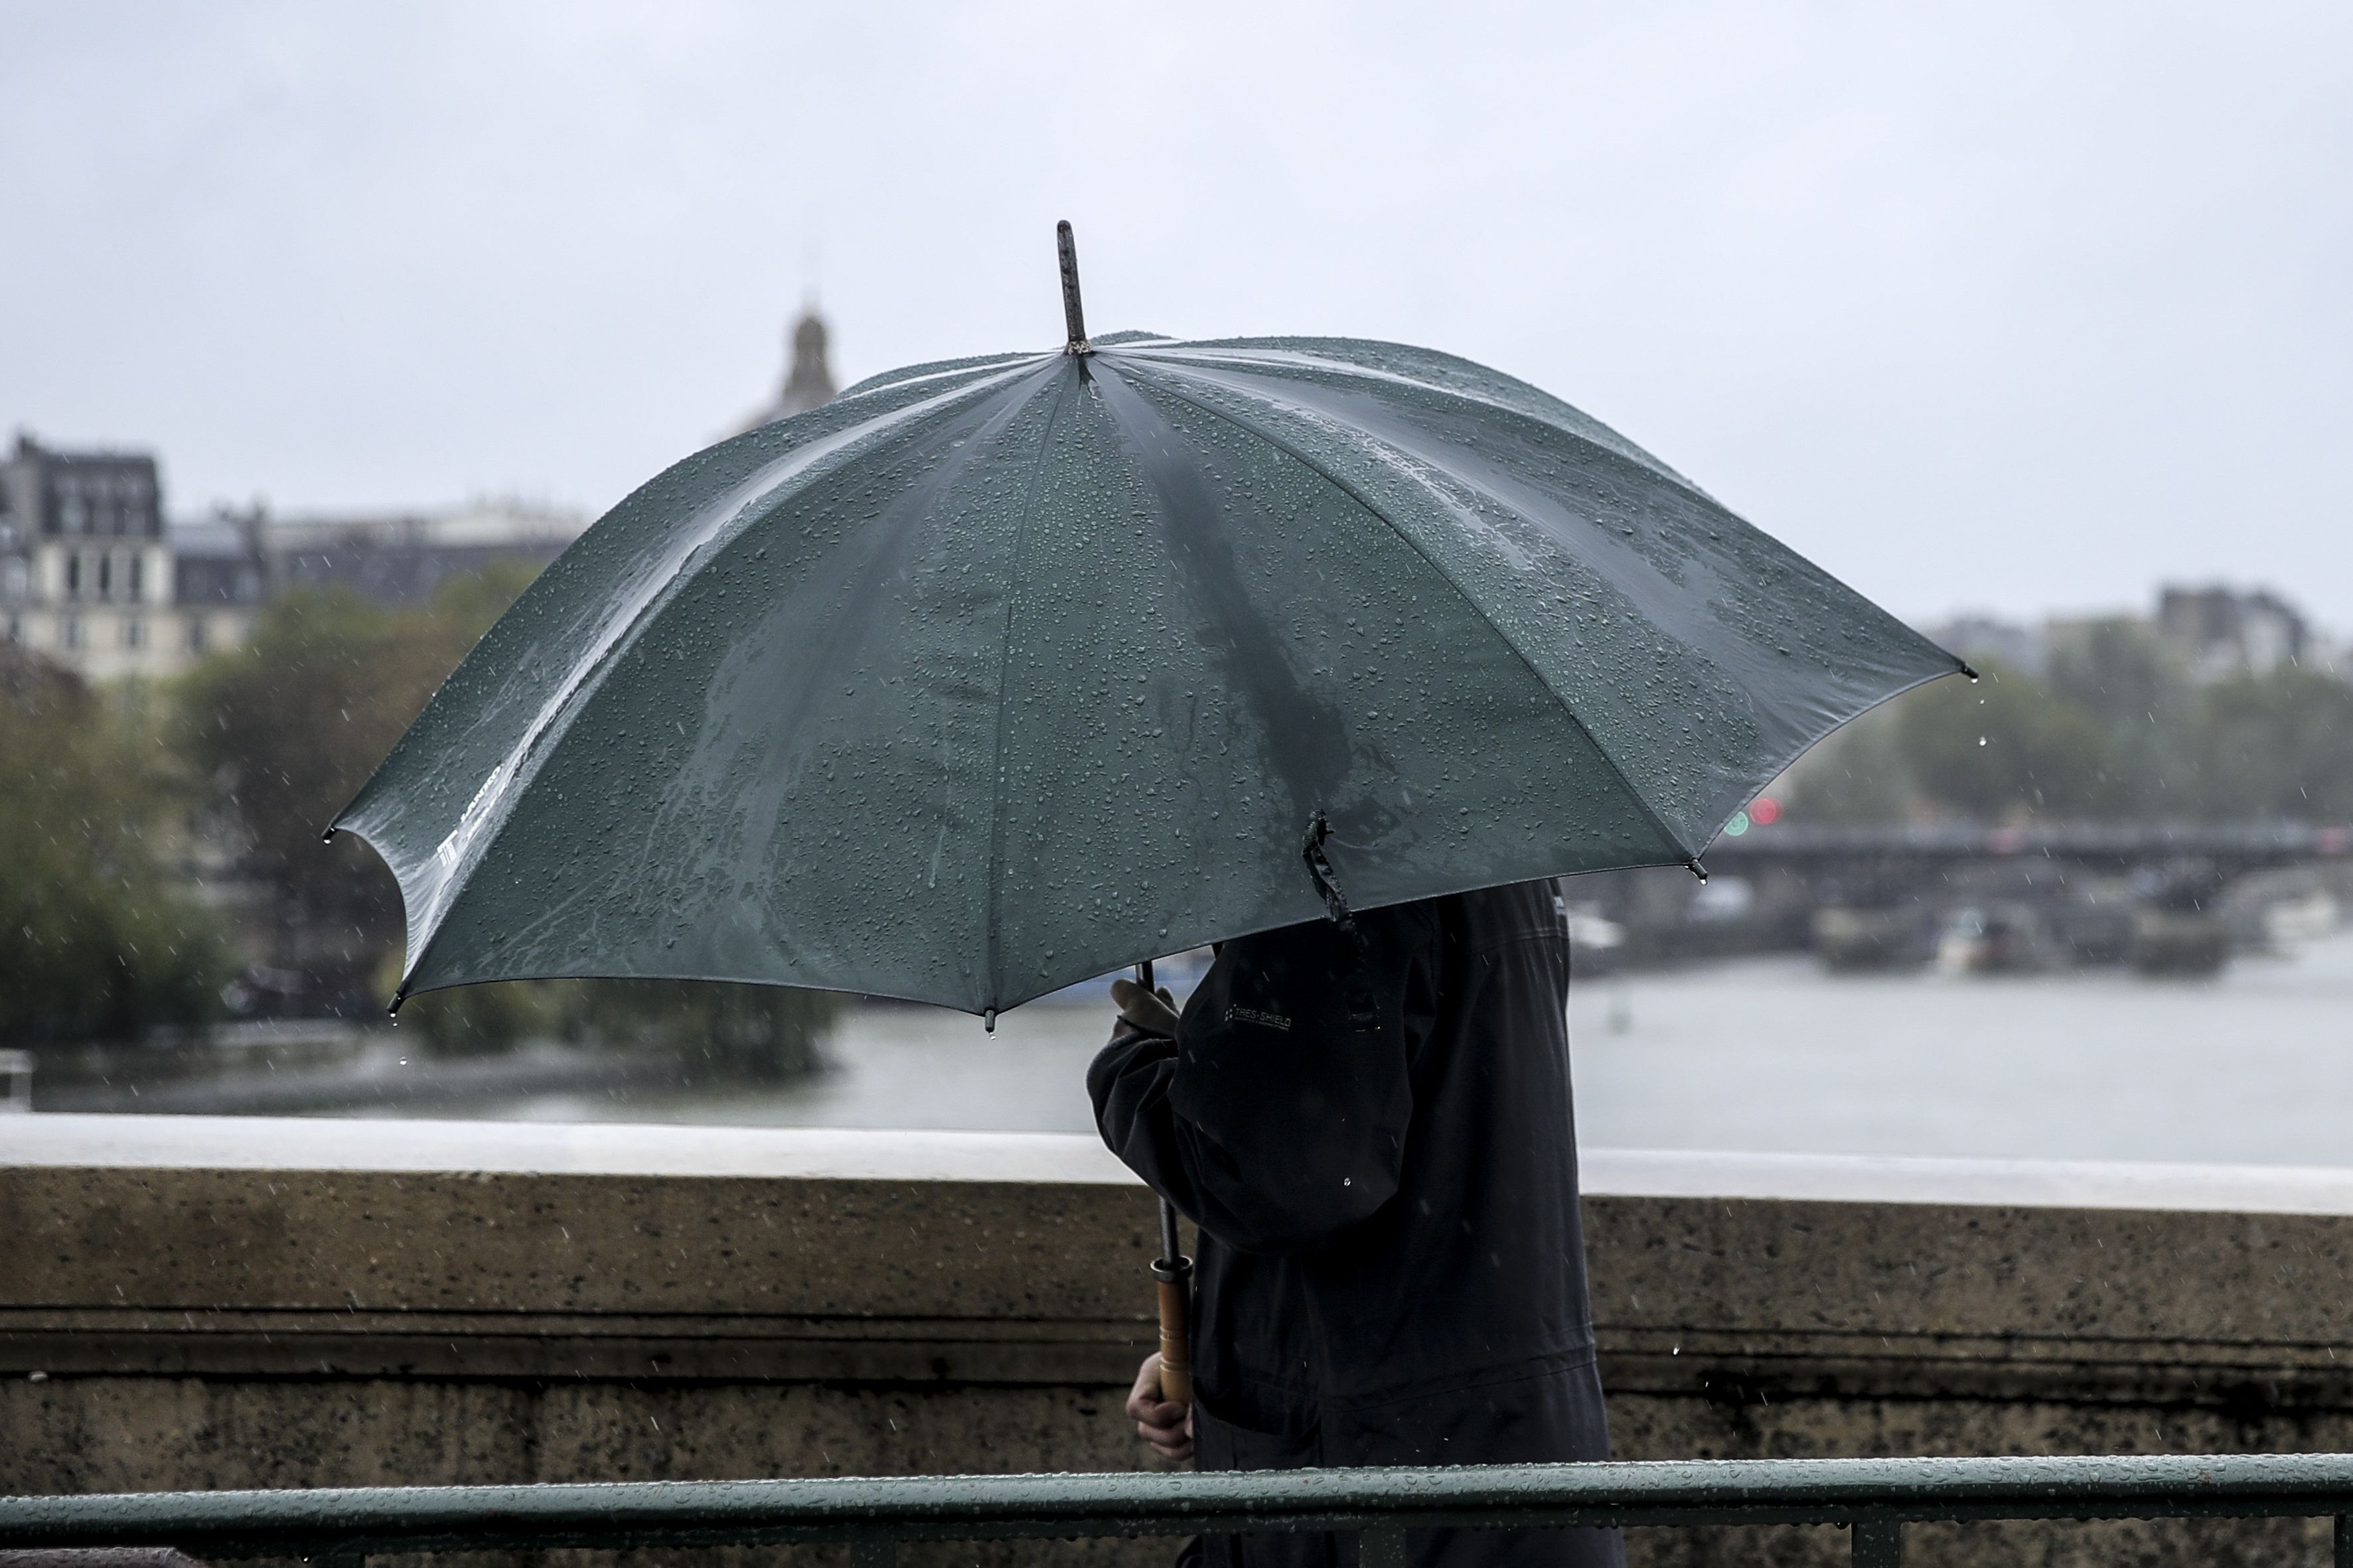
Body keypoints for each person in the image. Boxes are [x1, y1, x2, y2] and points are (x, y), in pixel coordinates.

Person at [1089, 878, 1624, 1568]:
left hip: (1370, 1477)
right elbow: (1410, 1141)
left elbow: (1281, 1180)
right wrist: (1224, 1351)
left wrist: (1131, 1068)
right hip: (1495, 1445)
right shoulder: (1484, 855)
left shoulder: (1326, 861)